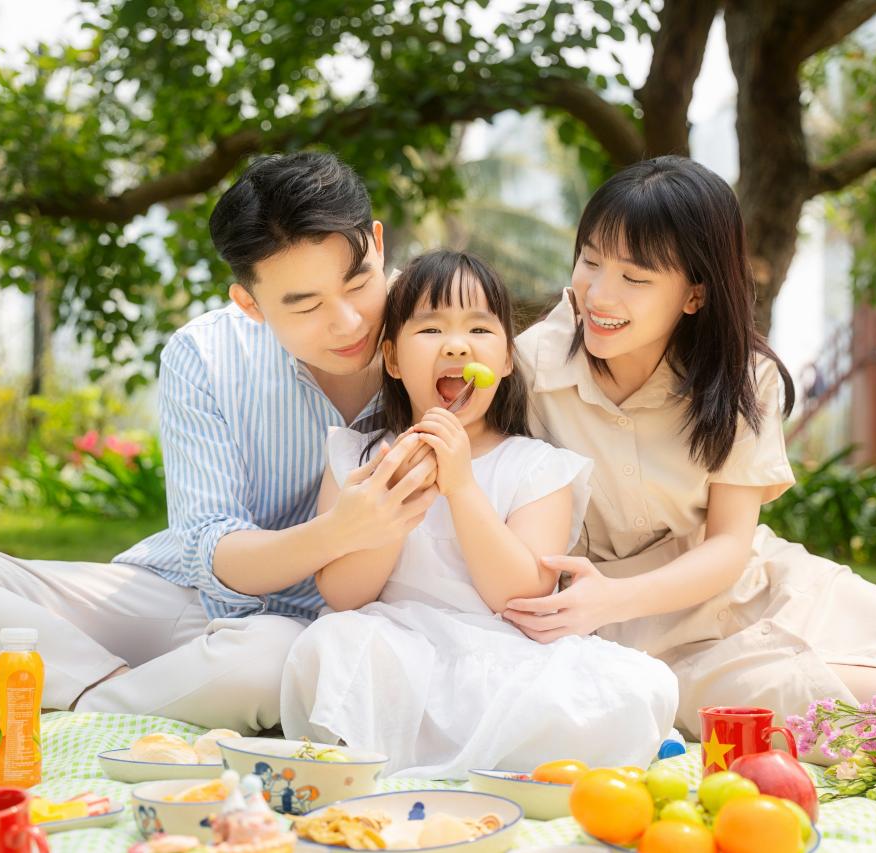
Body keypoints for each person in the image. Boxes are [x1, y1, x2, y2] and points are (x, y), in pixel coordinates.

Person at [504, 155, 876, 739]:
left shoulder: (744, 379)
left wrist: (616, 598)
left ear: (694, 294)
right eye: (590, 261)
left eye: (634, 278)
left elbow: (728, 544)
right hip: (649, 644)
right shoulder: (525, 368)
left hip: (760, 586)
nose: (598, 294)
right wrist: (603, 606)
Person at [0, 152, 437, 730]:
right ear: (251, 305)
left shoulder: (445, 339)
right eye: (306, 305)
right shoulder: (206, 354)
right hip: (174, 601)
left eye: (358, 282)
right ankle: (109, 696)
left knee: (270, 666)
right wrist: (338, 532)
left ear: (378, 244)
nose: (348, 322)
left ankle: (46, 696)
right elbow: (212, 548)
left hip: (297, 634)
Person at [280, 250, 679, 779]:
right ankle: (483, 756)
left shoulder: (538, 466)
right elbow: (344, 596)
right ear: (393, 360)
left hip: (505, 660)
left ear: (508, 361)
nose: (456, 343)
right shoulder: (357, 456)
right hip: (398, 654)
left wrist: (462, 486)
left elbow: (522, 594)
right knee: (328, 645)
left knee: (639, 684)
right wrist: (399, 491)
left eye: (478, 328)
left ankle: (468, 752)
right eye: (429, 329)